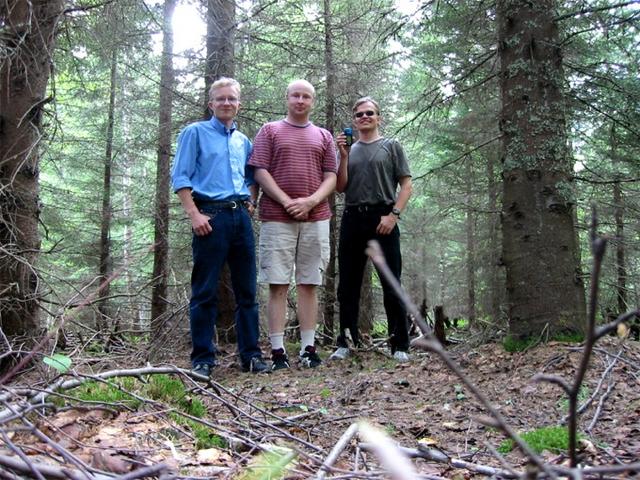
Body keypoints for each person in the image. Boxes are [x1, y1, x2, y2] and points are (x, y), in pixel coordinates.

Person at [171, 77, 268, 376]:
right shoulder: (195, 133)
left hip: (240, 217)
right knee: (204, 291)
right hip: (210, 218)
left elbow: (251, 178)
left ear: (239, 103)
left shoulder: (243, 140)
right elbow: (181, 177)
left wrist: (251, 203)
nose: (227, 103)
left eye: (232, 99)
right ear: (211, 103)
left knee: (247, 292)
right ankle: (202, 358)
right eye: (221, 99)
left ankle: (251, 356)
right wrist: (194, 215)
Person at [249, 79, 337, 370]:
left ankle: (308, 348)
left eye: (306, 96)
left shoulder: (323, 136)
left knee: (310, 282)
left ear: (313, 101)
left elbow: (331, 177)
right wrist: (287, 201)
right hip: (277, 217)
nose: (300, 100)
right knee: (277, 283)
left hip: (316, 218)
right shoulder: (270, 131)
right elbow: (260, 170)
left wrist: (310, 202)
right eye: (295, 95)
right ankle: (277, 352)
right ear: (287, 98)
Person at [331, 97, 413, 363]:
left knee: (391, 282)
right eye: (359, 115)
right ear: (354, 120)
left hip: (383, 218)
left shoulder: (391, 146)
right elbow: (340, 187)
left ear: (378, 117)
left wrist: (393, 216)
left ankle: (400, 344)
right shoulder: (349, 149)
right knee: (348, 285)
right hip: (353, 217)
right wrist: (342, 157)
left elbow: (407, 185)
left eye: (369, 113)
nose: (364, 117)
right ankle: (346, 341)